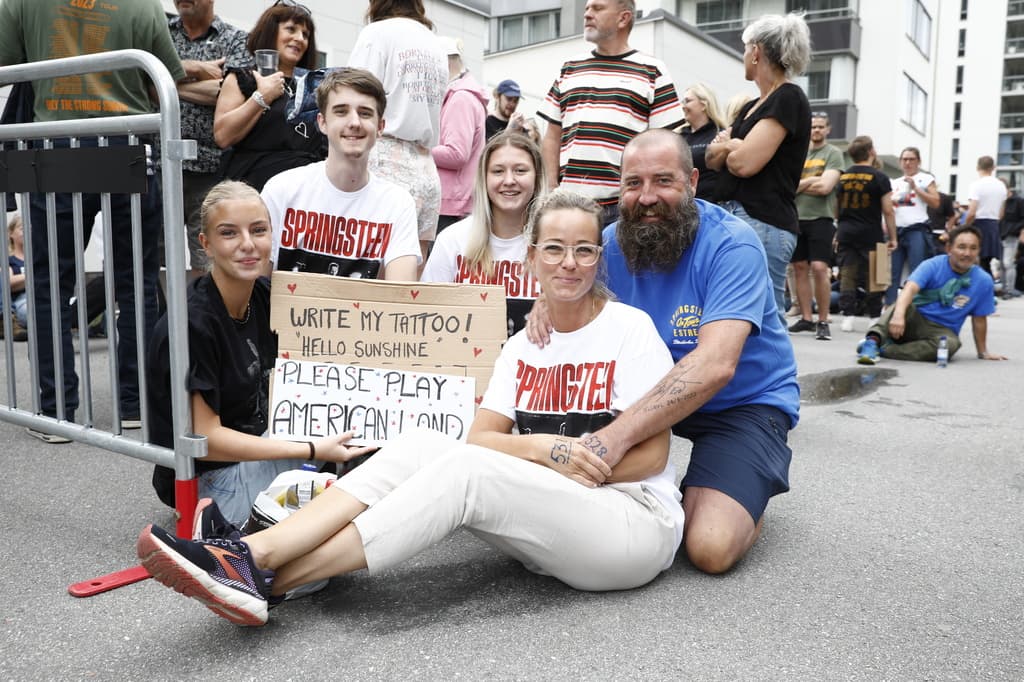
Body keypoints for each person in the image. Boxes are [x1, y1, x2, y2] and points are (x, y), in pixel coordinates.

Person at [136, 188, 686, 627]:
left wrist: (557, 464)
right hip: (552, 524)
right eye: (555, 249)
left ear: (598, 257)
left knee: (467, 474)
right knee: (425, 445)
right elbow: (480, 438)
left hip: (630, 523)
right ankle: (254, 562)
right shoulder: (522, 346)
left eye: (585, 250)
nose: (570, 263)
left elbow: (653, 457)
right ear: (532, 258)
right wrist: (546, 449)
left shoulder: (627, 330)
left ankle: (261, 569)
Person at [531, 129, 799, 574]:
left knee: (709, 548)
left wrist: (610, 441)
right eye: (633, 183)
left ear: (692, 181)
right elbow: (568, 292)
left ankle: (747, 492)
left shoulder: (734, 244)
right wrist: (546, 303)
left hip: (740, 405)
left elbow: (716, 365)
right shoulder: (610, 244)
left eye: (663, 181)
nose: (647, 196)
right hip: (644, 397)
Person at [0, 0, 186, 442]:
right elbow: (168, 75)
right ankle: (135, 404)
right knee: (137, 284)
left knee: (49, 285)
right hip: (127, 142)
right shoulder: (143, 4)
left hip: (56, 144)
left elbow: (7, 63)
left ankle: (58, 410)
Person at [147, 181, 374, 525]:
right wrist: (312, 449)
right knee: (323, 550)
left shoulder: (268, 296)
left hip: (265, 447)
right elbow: (207, 439)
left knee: (373, 452)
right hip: (206, 481)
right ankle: (227, 540)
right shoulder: (193, 322)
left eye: (258, 230)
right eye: (229, 234)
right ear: (205, 244)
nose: (248, 244)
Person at [261, 68, 420, 281]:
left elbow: (402, 294)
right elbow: (257, 289)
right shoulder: (281, 190)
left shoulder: (397, 204)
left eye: (365, 113)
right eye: (341, 111)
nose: (354, 122)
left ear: (380, 127)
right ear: (322, 122)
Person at [537, 0, 684, 226]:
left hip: (624, 207)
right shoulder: (569, 67)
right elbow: (552, 135)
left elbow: (664, 145)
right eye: (587, 8)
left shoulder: (653, 70)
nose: (587, 14)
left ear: (623, 18)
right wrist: (550, 189)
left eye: (597, 8)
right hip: (567, 203)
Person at [706, 13, 812, 322]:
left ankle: (778, 372)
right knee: (737, 312)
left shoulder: (788, 97)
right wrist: (731, 146)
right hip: (737, 216)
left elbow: (744, 163)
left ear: (756, 51)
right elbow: (713, 158)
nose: (743, 56)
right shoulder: (752, 106)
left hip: (762, 219)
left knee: (764, 316)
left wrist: (732, 148)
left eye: (745, 49)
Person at [348, 0, 448, 263]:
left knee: (367, 272)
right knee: (412, 274)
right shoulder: (435, 44)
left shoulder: (377, 34)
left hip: (383, 159)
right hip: (426, 168)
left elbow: (355, 100)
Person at [422, 132, 546, 336]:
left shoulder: (554, 246)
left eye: (520, 171)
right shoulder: (452, 240)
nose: (509, 180)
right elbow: (428, 315)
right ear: (484, 178)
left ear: (537, 177)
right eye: (498, 171)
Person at [169, 0, 249, 277]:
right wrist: (194, 68)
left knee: (207, 259)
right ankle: (161, 321)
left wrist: (169, 85)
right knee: (149, 256)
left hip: (210, 168)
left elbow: (228, 93)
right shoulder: (162, 35)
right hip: (160, 165)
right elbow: (145, 88)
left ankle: (200, 319)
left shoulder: (236, 39)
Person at [855, 225, 1007, 365]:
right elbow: (909, 289)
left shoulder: (984, 280)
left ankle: (885, 350)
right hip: (915, 317)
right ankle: (872, 342)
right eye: (961, 247)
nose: (967, 253)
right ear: (949, 248)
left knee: (950, 345)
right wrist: (898, 316)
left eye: (973, 248)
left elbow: (979, 319)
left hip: (941, 330)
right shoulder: (933, 265)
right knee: (902, 304)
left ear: (978, 251)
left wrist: (983, 352)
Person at [213, 1, 324, 192]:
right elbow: (223, 136)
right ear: (271, 32)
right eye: (291, 29)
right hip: (255, 189)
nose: (299, 38)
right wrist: (262, 97)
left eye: (305, 35)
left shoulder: (313, 87)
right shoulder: (245, 77)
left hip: (306, 193)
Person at [788, 112, 843, 340]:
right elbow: (786, 186)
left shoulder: (834, 153)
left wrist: (802, 184)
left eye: (821, 126)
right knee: (799, 268)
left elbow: (825, 187)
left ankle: (823, 320)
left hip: (821, 218)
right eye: (813, 127)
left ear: (828, 129)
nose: (817, 130)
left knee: (820, 268)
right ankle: (807, 319)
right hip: (796, 217)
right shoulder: (797, 153)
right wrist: (812, 180)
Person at [834, 136, 896, 332]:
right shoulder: (879, 177)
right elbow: (888, 210)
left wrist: (839, 228)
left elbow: (836, 209)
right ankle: (874, 317)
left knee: (847, 275)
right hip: (871, 232)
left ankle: (848, 317)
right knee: (876, 276)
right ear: (871, 152)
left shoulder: (842, 177)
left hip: (846, 231)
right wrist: (893, 237)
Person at [432, 37, 488, 236]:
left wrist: (419, 150)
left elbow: (456, 154)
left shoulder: (460, 98)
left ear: (444, 62)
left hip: (450, 205)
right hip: (454, 203)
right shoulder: (463, 95)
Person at [887, 147, 941, 306]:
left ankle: (916, 306)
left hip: (916, 228)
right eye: (905, 159)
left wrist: (916, 188)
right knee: (892, 272)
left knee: (917, 270)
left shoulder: (925, 178)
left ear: (918, 162)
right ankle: (890, 306)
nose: (908, 163)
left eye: (911, 159)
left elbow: (935, 202)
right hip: (896, 230)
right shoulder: (894, 182)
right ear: (900, 162)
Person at [679, 82, 726, 202]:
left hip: (709, 205)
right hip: (680, 204)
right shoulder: (678, 136)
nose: (683, 106)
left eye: (688, 101)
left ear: (704, 104)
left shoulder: (720, 135)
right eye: (683, 102)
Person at [962, 156, 1008, 279]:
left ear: (977, 167)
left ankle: (984, 290)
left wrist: (964, 227)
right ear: (993, 168)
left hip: (979, 224)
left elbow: (972, 212)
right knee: (986, 262)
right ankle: (988, 289)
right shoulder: (1001, 186)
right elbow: (1001, 214)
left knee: (976, 262)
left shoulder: (976, 185)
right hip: (993, 225)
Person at [1, 215, 29, 342]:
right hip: (22, 301)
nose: (27, 231)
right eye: (22, 228)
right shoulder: (9, 260)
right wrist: (36, 276)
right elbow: (8, 282)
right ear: (11, 234)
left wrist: (23, 279)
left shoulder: (37, 258)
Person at [1000, 179, 1024, 298]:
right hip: (1001, 234)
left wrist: (1019, 231)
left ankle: (1009, 289)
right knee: (1002, 264)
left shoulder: (1018, 201)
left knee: (1007, 263)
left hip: (1012, 235)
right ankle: (1005, 288)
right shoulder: (1000, 201)